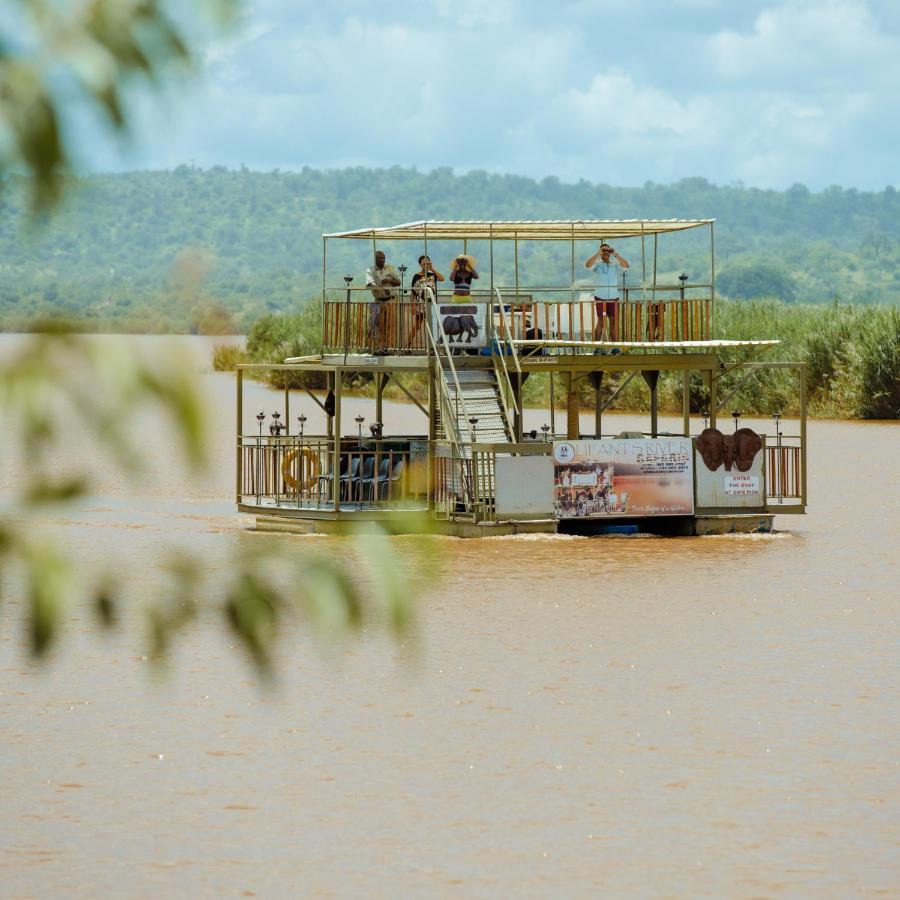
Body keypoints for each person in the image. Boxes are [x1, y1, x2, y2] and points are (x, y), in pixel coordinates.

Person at [585, 243, 629, 345]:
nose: (605, 253)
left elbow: (626, 266)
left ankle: (614, 346)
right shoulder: (597, 264)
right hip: (600, 296)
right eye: (603, 251)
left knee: (613, 322)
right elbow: (588, 265)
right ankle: (597, 347)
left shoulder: (615, 264)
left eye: (607, 251)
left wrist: (615, 254)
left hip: (613, 297)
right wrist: (597, 253)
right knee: (601, 322)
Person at [365, 250, 401, 355]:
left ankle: (389, 347)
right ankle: (381, 347)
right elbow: (369, 283)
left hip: (391, 300)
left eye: (384, 258)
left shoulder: (390, 268)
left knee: (391, 324)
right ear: (375, 259)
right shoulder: (371, 270)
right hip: (378, 301)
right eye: (380, 258)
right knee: (379, 325)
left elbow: (398, 282)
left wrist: (389, 281)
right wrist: (380, 286)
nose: (383, 260)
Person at [408, 254, 444, 345]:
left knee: (434, 326)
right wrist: (412, 305)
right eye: (424, 263)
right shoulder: (416, 276)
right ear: (420, 264)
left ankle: (434, 346)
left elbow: (442, 278)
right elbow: (413, 292)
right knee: (417, 326)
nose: (426, 265)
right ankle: (408, 344)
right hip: (420, 304)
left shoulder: (432, 275)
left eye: (427, 262)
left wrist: (432, 269)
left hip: (432, 304)